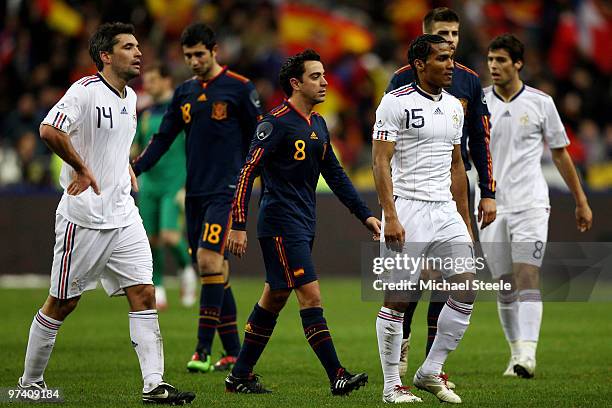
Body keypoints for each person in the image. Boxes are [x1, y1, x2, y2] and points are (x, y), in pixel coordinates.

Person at [17, 22, 194, 405]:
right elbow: (49, 130)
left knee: (145, 293)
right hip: (84, 217)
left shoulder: (131, 98)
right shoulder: (83, 92)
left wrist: (124, 167)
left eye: (138, 46)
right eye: (128, 47)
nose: (138, 53)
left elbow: (114, 143)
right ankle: (29, 383)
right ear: (106, 56)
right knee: (62, 303)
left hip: (123, 214)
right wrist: (81, 168)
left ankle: (154, 385)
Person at [223, 49, 381, 395]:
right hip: (280, 224)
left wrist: (365, 213)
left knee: (275, 297)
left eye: (324, 75)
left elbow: (336, 175)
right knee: (310, 296)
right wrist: (238, 223)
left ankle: (239, 376)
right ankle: (337, 374)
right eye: (315, 76)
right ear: (295, 83)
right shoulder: (274, 123)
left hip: (304, 222)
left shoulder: (319, 125)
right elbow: (248, 171)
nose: (325, 82)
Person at [132, 23, 261, 373]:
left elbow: (258, 140)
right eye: (188, 56)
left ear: (214, 50)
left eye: (199, 54)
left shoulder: (239, 88)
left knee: (206, 262)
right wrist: (137, 167)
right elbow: (162, 137)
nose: (193, 61)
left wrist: (252, 186)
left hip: (226, 191)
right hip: (196, 193)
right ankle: (234, 352)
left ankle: (202, 350)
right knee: (216, 270)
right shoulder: (185, 93)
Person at [386, 6, 496, 383]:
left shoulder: (466, 83)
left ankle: (434, 365)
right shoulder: (399, 84)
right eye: (443, 35)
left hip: (453, 186)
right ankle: (401, 346)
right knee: (412, 283)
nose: (450, 42)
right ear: (425, 35)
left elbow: (478, 141)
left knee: (453, 280)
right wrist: (392, 208)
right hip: (412, 191)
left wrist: (488, 192)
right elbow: (387, 149)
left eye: (455, 35)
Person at [481, 33, 592, 378]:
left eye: (501, 60)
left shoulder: (542, 103)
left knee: (527, 274)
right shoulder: (478, 104)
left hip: (530, 202)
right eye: (490, 60)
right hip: (490, 206)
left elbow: (560, 154)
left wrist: (581, 200)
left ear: (518, 64)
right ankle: (515, 354)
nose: (494, 66)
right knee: (504, 284)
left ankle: (528, 354)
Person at [373, 34, 476, 404]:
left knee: (465, 288)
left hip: (444, 209)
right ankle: (390, 387)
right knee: (399, 299)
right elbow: (380, 160)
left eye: (451, 58)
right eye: (442, 58)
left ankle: (430, 371)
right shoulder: (395, 103)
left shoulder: (453, 107)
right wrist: (391, 215)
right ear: (420, 64)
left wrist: (464, 221)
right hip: (408, 207)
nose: (450, 65)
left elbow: (457, 165)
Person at [132, 63, 196, 310]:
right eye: (146, 81)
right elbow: (137, 148)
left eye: (153, 80)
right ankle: (157, 288)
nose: (147, 85)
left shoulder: (182, 112)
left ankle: (187, 269)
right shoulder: (146, 114)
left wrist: (187, 184)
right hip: (149, 184)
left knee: (170, 236)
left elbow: (193, 149)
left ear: (167, 81)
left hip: (174, 183)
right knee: (151, 240)